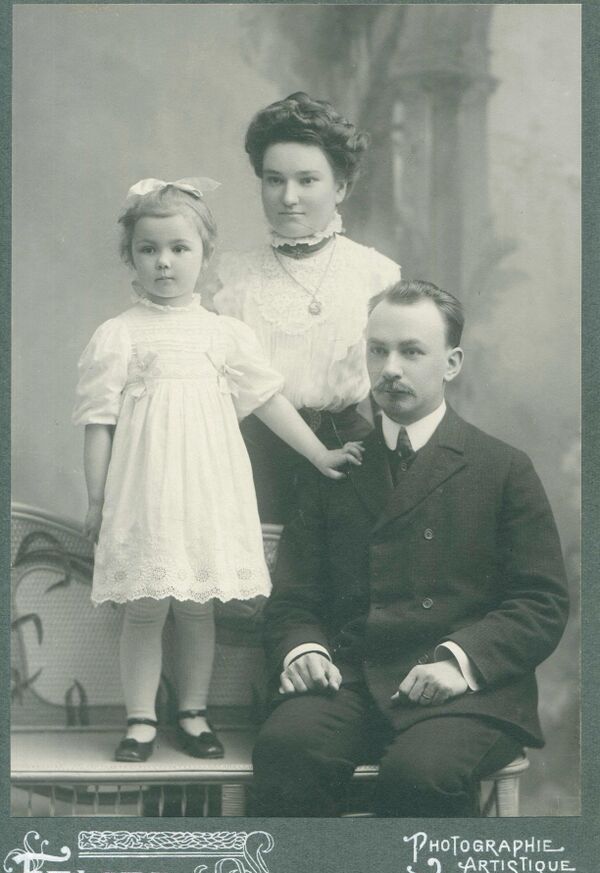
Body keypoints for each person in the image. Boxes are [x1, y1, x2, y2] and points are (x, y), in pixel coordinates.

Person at [252, 279, 570, 817]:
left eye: (411, 352)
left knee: (421, 776)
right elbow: (293, 597)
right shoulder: (336, 470)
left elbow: (541, 602)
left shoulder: (502, 468)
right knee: (288, 752)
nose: (390, 369)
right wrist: (304, 649)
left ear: (452, 363)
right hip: (351, 678)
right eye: (378, 351)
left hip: (465, 691)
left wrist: (459, 662)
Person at [72, 177, 362, 763]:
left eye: (179, 248)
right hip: (146, 494)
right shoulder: (119, 335)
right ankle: (139, 720)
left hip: (205, 492)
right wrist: (98, 499)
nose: (164, 262)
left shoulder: (225, 334)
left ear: (204, 256)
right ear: (130, 256)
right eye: (149, 249)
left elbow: (269, 401)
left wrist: (318, 453)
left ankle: (193, 712)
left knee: (196, 606)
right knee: (145, 608)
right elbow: (98, 421)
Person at [214, 92, 400, 523]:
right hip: (250, 455)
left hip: (349, 450)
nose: (288, 197)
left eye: (307, 181)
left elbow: (388, 385)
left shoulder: (377, 273)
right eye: (274, 180)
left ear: (341, 187)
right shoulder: (229, 279)